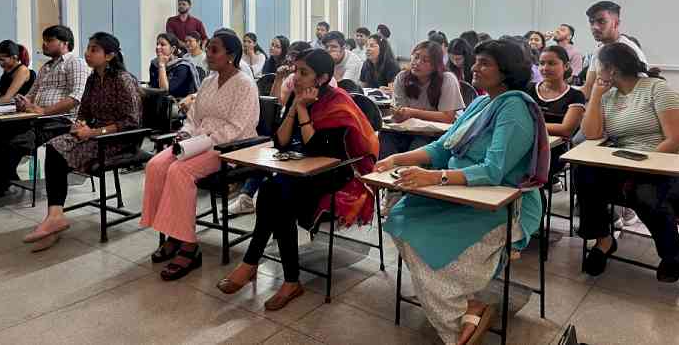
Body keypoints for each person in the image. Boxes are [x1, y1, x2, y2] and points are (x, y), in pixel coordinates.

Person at [375, 39, 545, 345]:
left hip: (502, 202)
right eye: (476, 61)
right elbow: (443, 147)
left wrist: (435, 178)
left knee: (426, 244)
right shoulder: (481, 102)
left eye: (485, 63)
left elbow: (493, 170)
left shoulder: (516, 108)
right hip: (457, 192)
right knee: (400, 219)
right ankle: (468, 306)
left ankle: (456, 327)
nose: (474, 67)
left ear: (506, 71)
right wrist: (397, 159)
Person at [216, 49, 379, 311]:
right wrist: (294, 107)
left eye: (304, 73)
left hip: (335, 173)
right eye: (296, 71)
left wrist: (302, 109)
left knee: (276, 196)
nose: (297, 77)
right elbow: (280, 142)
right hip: (299, 170)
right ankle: (283, 277)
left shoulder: (338, 103)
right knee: (272, 191)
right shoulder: (296, 94)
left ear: (323, 78)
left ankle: (254, 265)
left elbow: (317, 149)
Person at [141, 30, 260, 280]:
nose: (208, 54)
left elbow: (238, 128)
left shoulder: (245, 85)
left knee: (179, 171)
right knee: (156, 165)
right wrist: (185, 135)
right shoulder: (208, 81)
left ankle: (189, 246)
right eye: (208, 49)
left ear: (231, 55)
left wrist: (205, 142)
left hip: (230, 147)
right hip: (197, 142)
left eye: (214, 50)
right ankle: (172, 233)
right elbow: (193, 117)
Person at [577, 42, 679, 282]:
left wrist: (638, 167)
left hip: (674, 168)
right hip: (629, 166)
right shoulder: (608, 96)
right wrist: (597, 96)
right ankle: (604, 240)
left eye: (599, 67)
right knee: (584, 170)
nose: (595, 72)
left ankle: (673, 254)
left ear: (612, 69)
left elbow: (674, 140)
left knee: (643, 193)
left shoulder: (657, 89)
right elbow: (591, 134)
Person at [21, 32, 142, 250]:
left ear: (109, 55)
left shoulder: (123, 80)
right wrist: (80, 124)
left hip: (117, 139)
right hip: (95, 134)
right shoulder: (93, 78)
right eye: (88, 48)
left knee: (59, 153)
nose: (87, 53)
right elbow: (84, 111)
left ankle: (54, 217)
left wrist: (94, 132)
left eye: (94, 50)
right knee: (54, 147)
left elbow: (131, 122)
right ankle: (55, 215)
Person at [0, 26, 88, 212]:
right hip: (35, 117)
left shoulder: (74, 63)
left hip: (59, 120)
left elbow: (76, 97)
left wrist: (44, 111)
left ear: (64, 43)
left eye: (49, 40)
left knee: (11, 143)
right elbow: (31, 94)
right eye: (44, 40)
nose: (44, 44)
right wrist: (24, 101)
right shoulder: (46, 67)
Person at [379, 41, 464, 160]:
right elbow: (401, 112)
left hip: (435, 134)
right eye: (416, 56)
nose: (417, 63)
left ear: (436, 65)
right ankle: (380, 173)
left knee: (419, 144)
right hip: (407, 130)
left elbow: (447, 118)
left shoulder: (447, 79)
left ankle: (405, 175)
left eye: (425, 60)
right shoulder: (402, 77)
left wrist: (412, 112)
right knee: (386, 135)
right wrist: (399, 114)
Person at [526, 45, 586, 190]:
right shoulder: (528, 89)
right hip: (526, 144)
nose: (545, 68)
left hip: (555, 151)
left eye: (551, 63)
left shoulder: (575, 95)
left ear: (566, 66)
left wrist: (530, 126)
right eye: (541, 63)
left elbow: (566, 130)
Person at [581, 1, 647, 97]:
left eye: (601, 21)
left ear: (616, 23)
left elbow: (640, 94)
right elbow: (588, 87)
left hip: (623, 110)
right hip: (601, 106)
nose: (594, 27)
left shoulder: (628, 50)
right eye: (591, 22)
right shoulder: (599, 50)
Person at [149, 33, 200, 99]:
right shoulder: (154, 64)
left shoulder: (182, 66)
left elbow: (164, 91)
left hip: (178, 104)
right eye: (157, 44)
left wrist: (162, 65)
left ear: (173, 49)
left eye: (162, 45)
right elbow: (153, 87)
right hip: (157, 102)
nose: (158, 47)